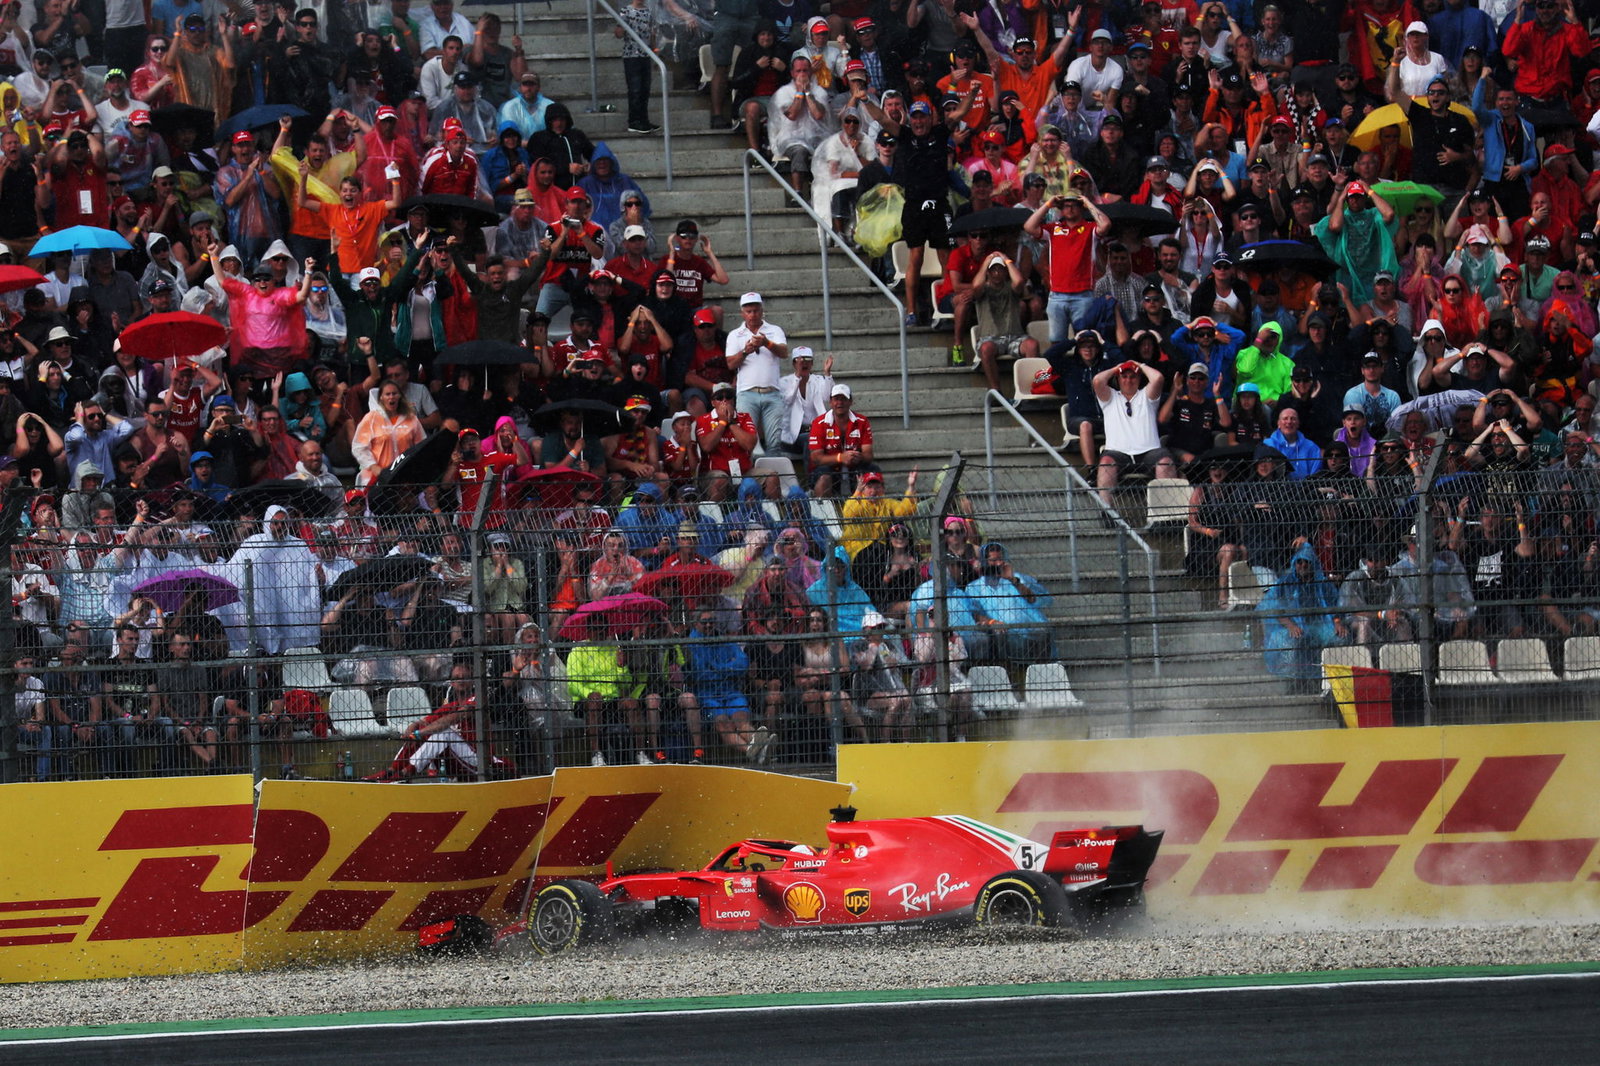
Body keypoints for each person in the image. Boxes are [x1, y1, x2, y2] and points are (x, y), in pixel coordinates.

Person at [1094, 359, 1177, 514]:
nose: (1128, 380)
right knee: (1105, 463)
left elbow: (1158, 378)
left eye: (1133, 376)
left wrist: (1140, 365)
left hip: (1149, 452)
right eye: (1124, 376)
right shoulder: (1110, 397)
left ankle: (1167, 515)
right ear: (1117, 380)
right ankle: (1107, 512)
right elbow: (1098, 380)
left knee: (1165, 461)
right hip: (1118, 452)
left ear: (1139, 379)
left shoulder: (1146, 396)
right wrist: (1117, 367)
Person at [1258, 542, 1340, 692]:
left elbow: (1334, 606)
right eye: (1299, 562)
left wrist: (1337, 622)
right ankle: (1297, 681)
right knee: (1300, 639)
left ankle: (1331, 681)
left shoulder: (1322, 583)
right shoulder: (1286, 582)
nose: (1302, 566)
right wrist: (1290, 625)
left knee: (1338, 639)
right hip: (1291, 624)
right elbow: (1276, 609)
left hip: (1319, 624)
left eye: (1306, 562)